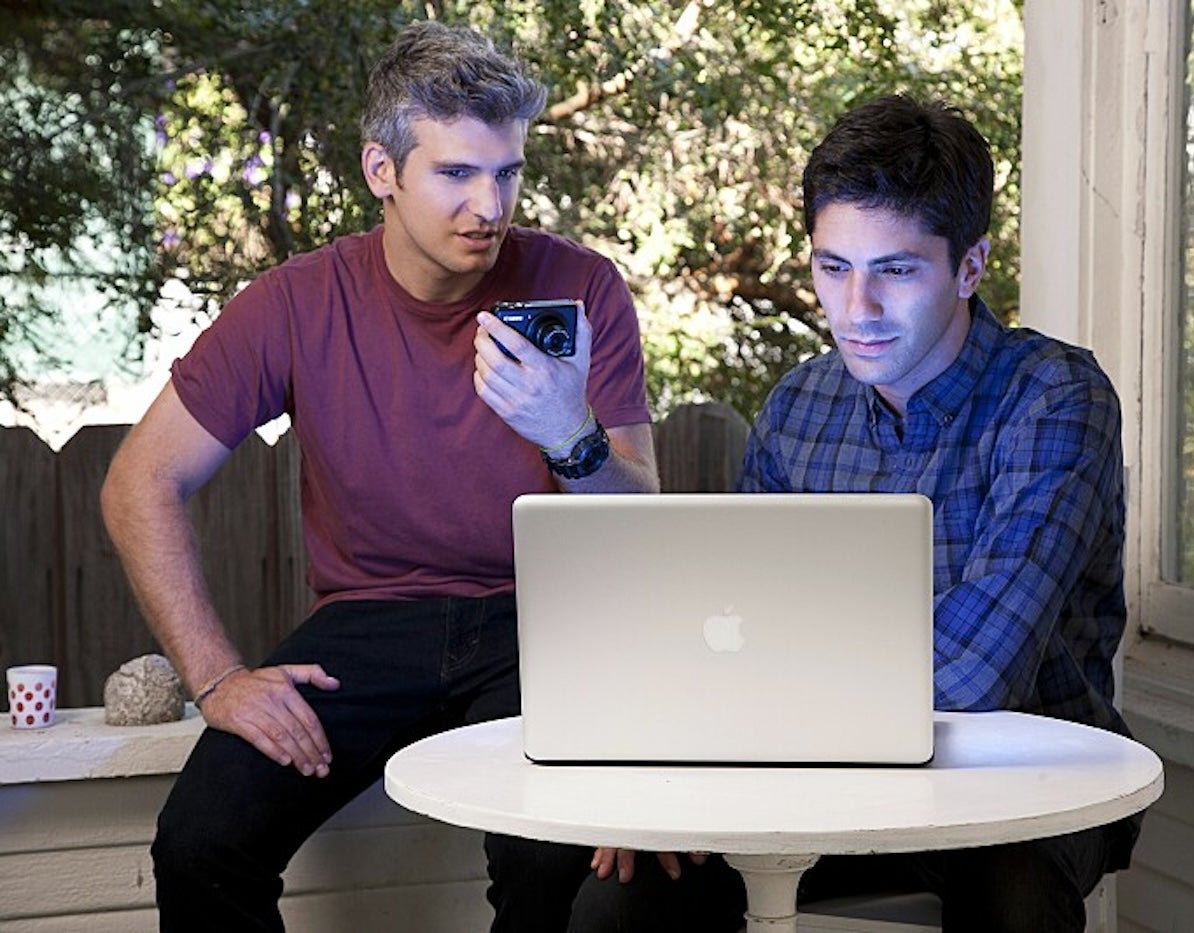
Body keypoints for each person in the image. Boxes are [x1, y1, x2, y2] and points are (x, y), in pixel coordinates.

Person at [490, 93, 1140, 933]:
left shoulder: (1056, 399)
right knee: (619, 902)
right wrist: (664, 787)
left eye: (896, 270)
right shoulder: (801, 404)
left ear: (970, 267)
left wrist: (755, 713)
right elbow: (725, 631)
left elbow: (975, 680)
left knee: (1011, 903)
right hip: (806, 784)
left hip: (1025, 788)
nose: (857, 309)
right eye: (834, 268)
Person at [99, 21, 657, 932]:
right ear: (381, 171)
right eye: (456, 174)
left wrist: (572, 434)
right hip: (367, 627)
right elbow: (138, 484)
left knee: (548, 849)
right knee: (200, 840)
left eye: (508, 172)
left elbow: (641, 523)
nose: (490, 204)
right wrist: (218, 677)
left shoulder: (581, 287)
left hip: (543, 622)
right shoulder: (293, 303)